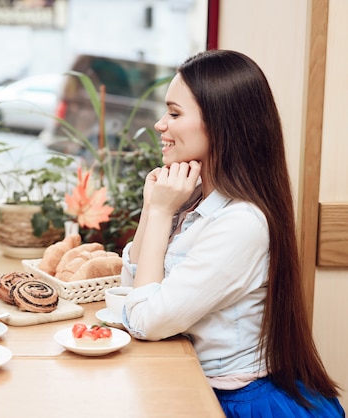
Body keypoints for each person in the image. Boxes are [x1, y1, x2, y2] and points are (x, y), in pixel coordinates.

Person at [120, 50, 344, 417]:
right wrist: (152, 207)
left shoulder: (241, 224)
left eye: (175, 113)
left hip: (240, 401)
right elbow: (129, 295)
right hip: (192, 381)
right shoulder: (194, 202)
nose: (161, 124)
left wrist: (160, 212)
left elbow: (146, 321)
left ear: (220, 124)